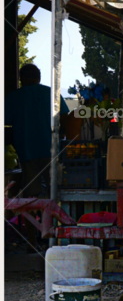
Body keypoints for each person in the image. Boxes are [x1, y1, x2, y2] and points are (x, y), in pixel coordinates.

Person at [4, 64, 69, 199]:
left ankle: (33, 220)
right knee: (55, 194)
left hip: (27, 152)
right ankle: (53, 220)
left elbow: (5, 121)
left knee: (31, 197)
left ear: (22, 78)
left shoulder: (13, 97)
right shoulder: (51, 93)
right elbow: (65, 118)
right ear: (38, 78)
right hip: (51, 151)